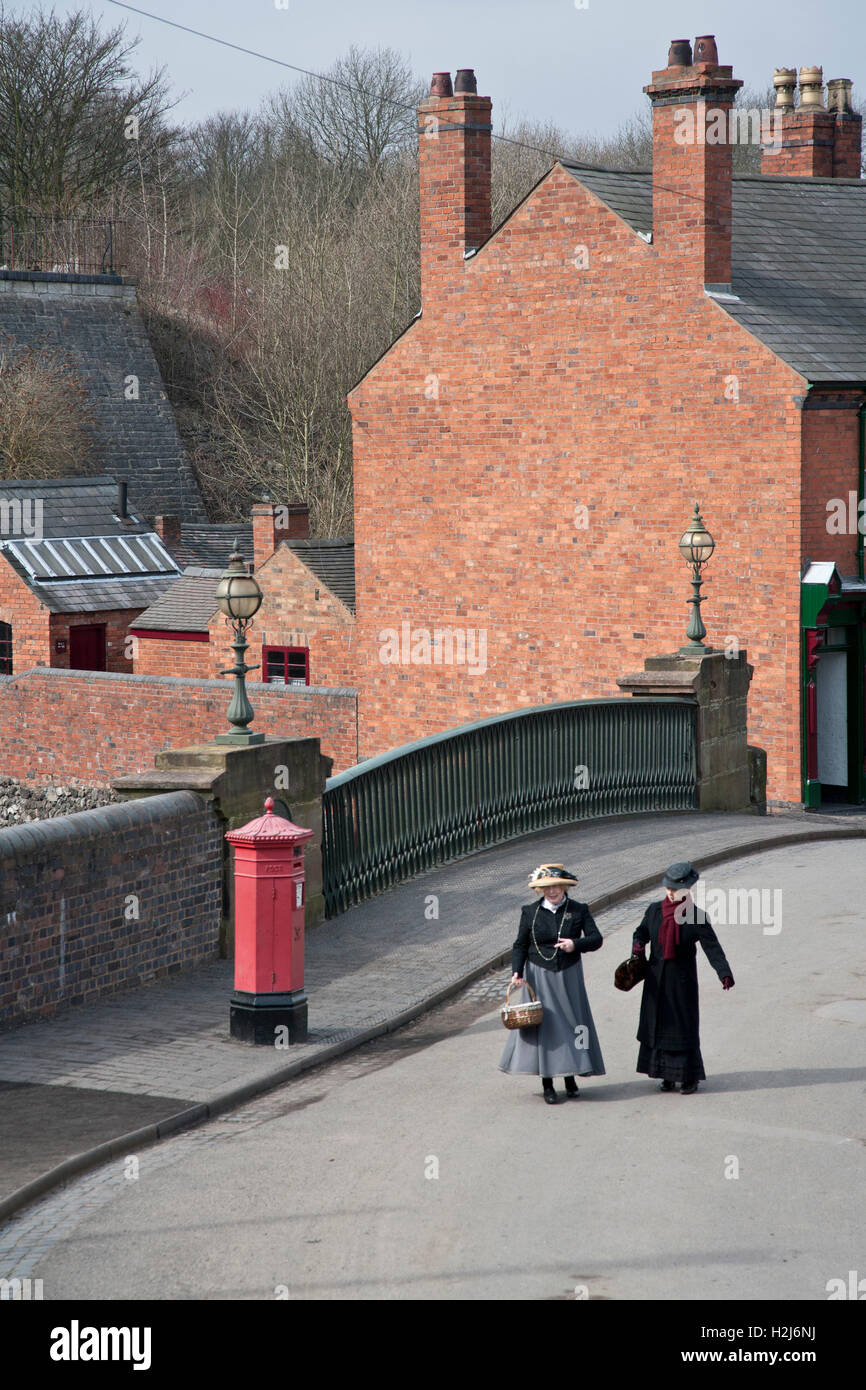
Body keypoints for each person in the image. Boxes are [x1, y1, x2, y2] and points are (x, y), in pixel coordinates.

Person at [499, 863, 605, 1104]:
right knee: (544, 1028)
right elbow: (520, 945)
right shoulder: (530, 912)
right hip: (539, 975)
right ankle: (547, 1084)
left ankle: (570, 1078)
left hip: (569, 974)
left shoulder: (578, 910)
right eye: (546, 888)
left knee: (572, 1024)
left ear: (564, 887)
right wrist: (517, 971)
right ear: (540, 890)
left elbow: (596, 939)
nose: (552, 891)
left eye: (556, 886)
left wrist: (575, 945)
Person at [631, 860, 734, 1094]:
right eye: (668, 889)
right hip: (656, 980)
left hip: (682, 982)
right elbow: (641, 932)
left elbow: (712, 946)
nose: (671, 893)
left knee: (682, 1029)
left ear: (688, 889)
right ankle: (665, 1075)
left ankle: (689, 1078)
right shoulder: (654, 911)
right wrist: (638, 945)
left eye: (675, 890)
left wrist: (724, 972)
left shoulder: (696, 916)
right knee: (658, 1026)